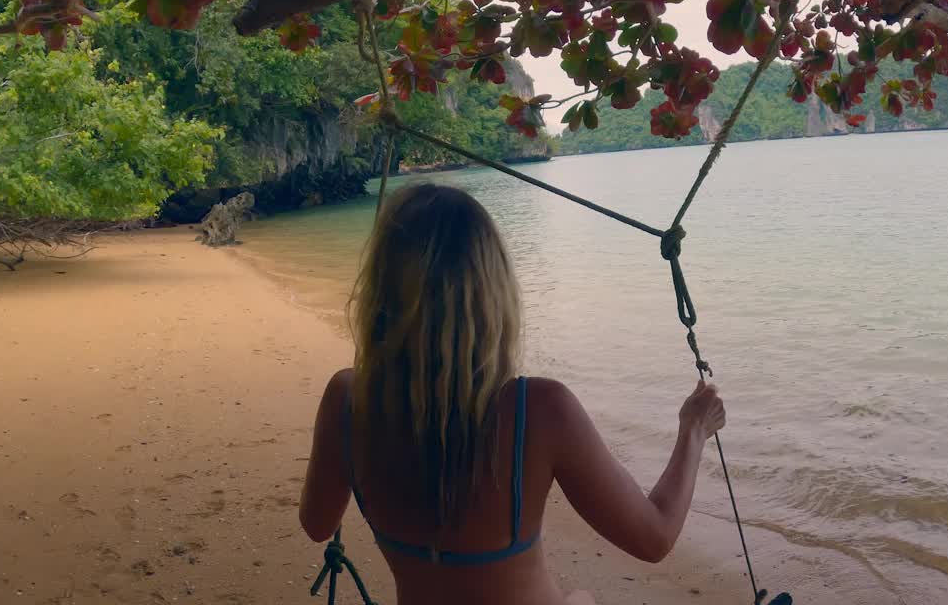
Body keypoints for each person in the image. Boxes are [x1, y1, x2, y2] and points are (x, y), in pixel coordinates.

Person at [299, 183, 727, 605]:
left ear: (380, 288)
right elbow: (654, 538)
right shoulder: (539, 409)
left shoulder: (348, 398)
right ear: (493, 292)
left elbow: (318, 525)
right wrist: (693, 430)